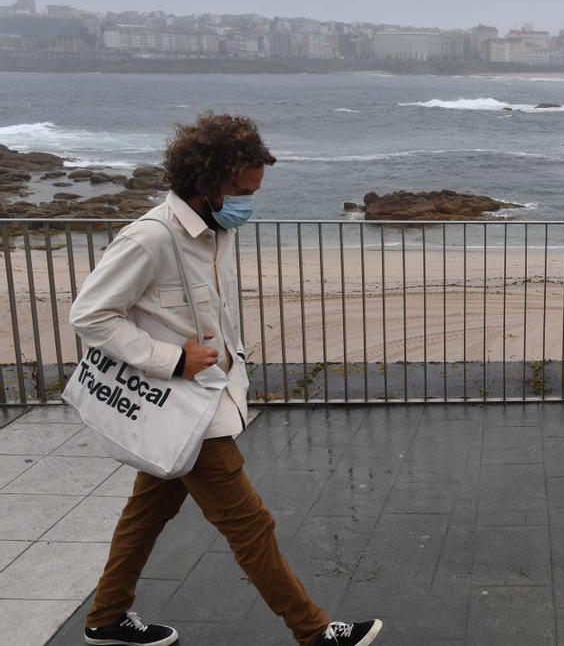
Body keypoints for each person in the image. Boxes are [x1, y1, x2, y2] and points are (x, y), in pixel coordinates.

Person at [70, 113, 383, 646]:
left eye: (255, 190)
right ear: (205, 182)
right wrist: (169, 359)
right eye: (241, 190)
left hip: (203, 400)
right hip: (182, 401)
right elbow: (90, 315)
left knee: (145, 514)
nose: (249, 202)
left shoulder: (217, 231)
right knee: (250, 524)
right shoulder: (150, 238)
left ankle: (106, 617)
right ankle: (313, 632)